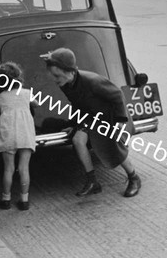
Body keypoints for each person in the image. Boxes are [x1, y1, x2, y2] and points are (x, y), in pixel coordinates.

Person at [41, 47, 141, 198]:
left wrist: (120, 122)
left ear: (69, 71)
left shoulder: (91, 81)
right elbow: (77, 104)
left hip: (111, 116)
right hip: (92, 117)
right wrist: (74, 124)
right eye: (53, 75)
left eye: (57, 75)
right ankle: (93, 181)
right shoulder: (67, 83)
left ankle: (134, 178)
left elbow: (117, 95)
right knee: (77, 140)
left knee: (112, 145)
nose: (55, 79)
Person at [0, 62, 36, 211]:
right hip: (25, 133)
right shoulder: (26, 93)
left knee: (8, 169)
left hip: (8, 133)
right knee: (24, 168)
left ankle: (6, 199)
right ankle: (24, 200)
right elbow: (35, 104)